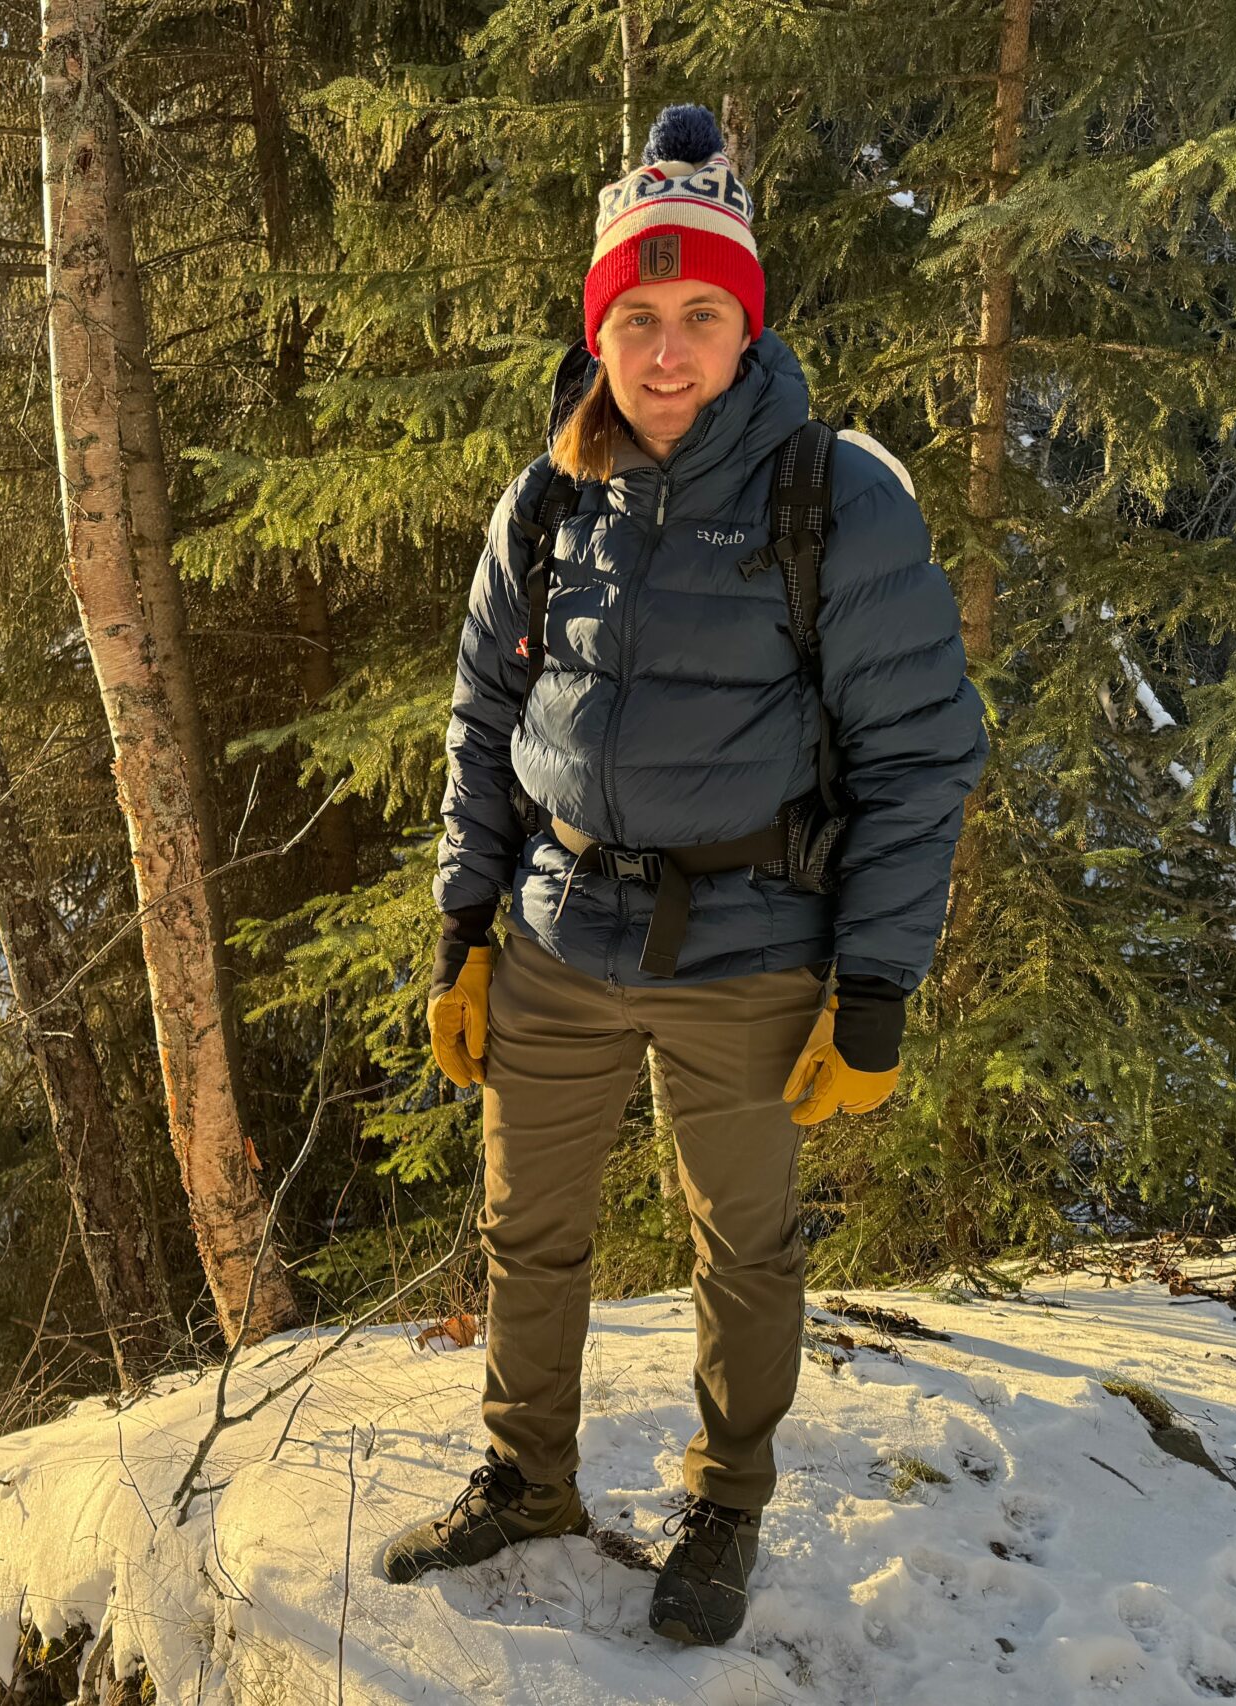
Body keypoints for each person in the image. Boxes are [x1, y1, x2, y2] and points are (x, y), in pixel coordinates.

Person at [376, 104, 986, 1646]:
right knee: (528, 1230)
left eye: (699, 316)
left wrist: (874, 992)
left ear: (746, 323)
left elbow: (921, 756)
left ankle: (727, 1495)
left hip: (752, 948)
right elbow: (483, 716)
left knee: (744, 1243)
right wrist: (465, 923)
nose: (663, 353)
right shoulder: (550, 495)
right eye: (635, 318)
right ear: (601, 329)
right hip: (558, 939)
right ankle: (527, 1474)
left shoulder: (835, 499)